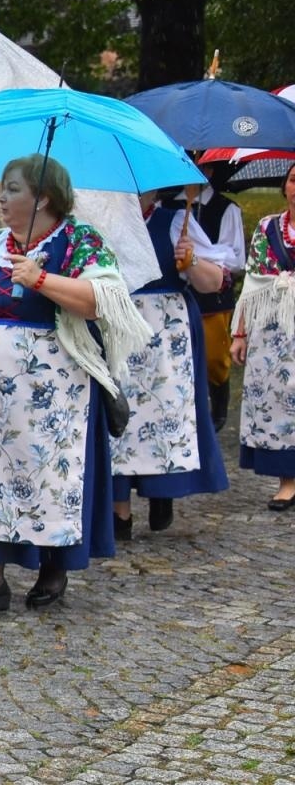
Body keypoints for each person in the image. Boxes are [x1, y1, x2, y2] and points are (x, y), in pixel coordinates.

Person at [0, 154, 149, 610]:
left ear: (44, 196)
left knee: (49, 477)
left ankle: (54, 563)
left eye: (13, 188)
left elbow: (101, 302)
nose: (1, 196)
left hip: (55, 395)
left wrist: (41, 278)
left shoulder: (79, 242)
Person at [110, 188, 231, 538]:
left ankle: (162, 489)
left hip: (166, 332)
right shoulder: (102, 226)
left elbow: (214, 283)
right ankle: (120, 510)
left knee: (165, 414)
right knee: (119, 415)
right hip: (120, 327)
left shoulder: (175, 221)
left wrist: (191, 260)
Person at [229, 164, 295, 510]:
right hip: (273, 330)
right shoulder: (267, 228)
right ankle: (287, 480)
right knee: (278, 403)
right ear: (284, 187)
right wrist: (240, 333)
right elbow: (253, 284)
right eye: (294, 179)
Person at [171, 175, 246, 430]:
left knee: (215, 358)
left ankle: (220, 401)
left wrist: (206, 255)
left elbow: (236, 260)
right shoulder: (168, 205)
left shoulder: (227, 208)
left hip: (213, 296)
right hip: (177, 293)